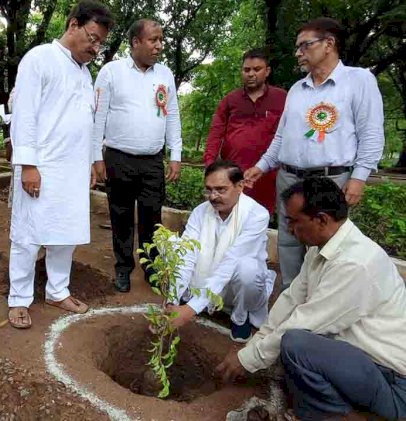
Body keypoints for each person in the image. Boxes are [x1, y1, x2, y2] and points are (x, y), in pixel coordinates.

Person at [217, 177, 406, 421]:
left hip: (392, 382)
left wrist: (247, 359)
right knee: (284, 349)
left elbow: (305, 323)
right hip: (362, 365)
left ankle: (338, 416)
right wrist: (255, 346)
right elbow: (291, 299)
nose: (289, 229)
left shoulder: (355, 264)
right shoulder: (321, 248)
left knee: (295, 344)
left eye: (294, 222)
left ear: (322, 220)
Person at [244, 18, 385, 290]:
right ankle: (290, 302)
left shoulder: (359, 80)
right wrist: (261, 166)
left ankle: (321, 308)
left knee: (327, 248)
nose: (298, 53)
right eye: (297, 47)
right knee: (288, 242)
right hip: (289, 178)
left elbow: (371, 133)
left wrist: (359, 178)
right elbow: (282, 137)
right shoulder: (297, 89)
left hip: (332, 181)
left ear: (329, 44)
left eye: (304, 46)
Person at [6, 0, 114, 329]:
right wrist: (27, 164)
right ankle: (19, 298)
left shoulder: (85, 73)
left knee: (65, 234)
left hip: (72, 169)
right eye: (92, 38)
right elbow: (24, 114)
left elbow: (88, 123)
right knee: (28, 234)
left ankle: (57, 290)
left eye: (101, 43)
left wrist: (93, 162)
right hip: (41, 165)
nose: (95, 48)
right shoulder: (40, 59)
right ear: (72, 26)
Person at [91, 19, 182, 293]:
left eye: (161, 40)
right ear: (135, 42)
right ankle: (123, 267)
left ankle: (151, 266)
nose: (159, 45)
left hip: (152, 161)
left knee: (151, 217)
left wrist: (175, 153)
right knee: (119, 215)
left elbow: (173, 115)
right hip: (118, 158)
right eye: (153, 40)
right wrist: (96, 156)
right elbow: (98, 117)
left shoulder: (164, 74)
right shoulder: (111, 72)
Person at [166, 160, 275, 342]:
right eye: (209, 189)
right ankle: (194, 297)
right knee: (173, 245)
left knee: (247, 269)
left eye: (221, 189)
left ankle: (240, 316)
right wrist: (173, 299)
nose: (213, 196)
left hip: (237, 286)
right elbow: (186, 255)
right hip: (210, 280)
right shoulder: (201, 212)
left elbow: (231, 262)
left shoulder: (257, 215)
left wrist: (190, 310)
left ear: (240, 186)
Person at [204, 48, 286, 214]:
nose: (251, 74)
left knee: (260, 218)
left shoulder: (282, 98)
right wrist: (210, 166)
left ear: (267, 71)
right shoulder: (230, 100)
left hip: (267, 176)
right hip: (233, 175)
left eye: (257, 69)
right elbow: (215, 134)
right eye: (246, 69)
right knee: (228, 217)